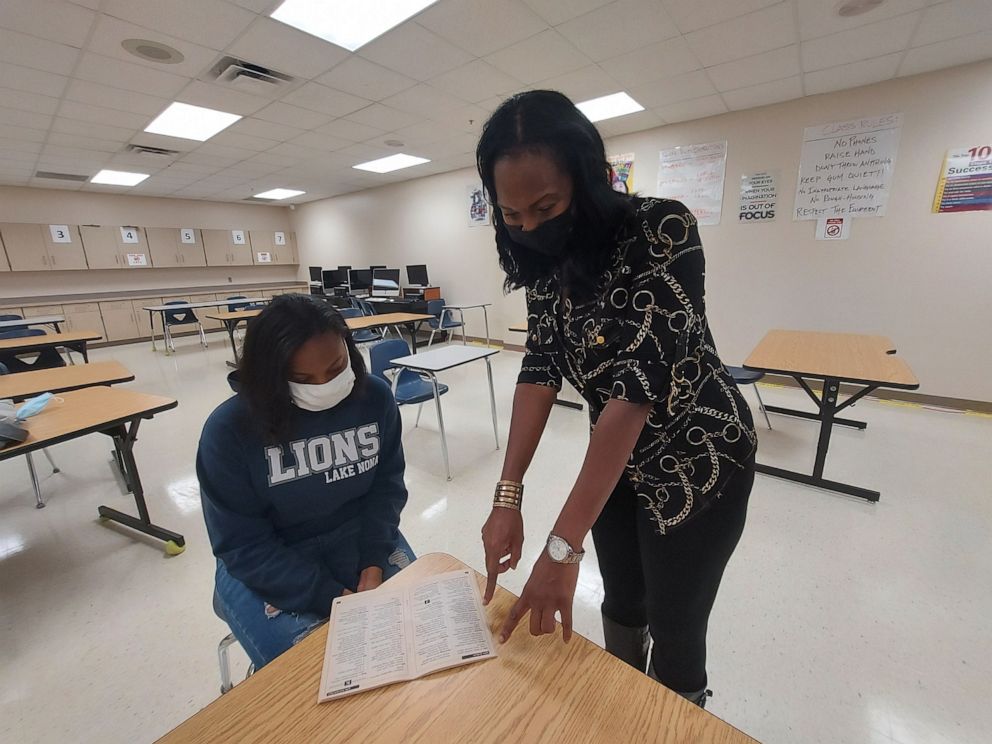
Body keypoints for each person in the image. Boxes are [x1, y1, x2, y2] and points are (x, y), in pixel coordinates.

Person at [476, 90, 757, 707]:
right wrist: (508, 496)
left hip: (699, 460)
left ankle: (675, 715)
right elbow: (542, 363)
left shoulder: (663, 229)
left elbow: (634, 391)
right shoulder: (546, 264)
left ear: (587, 178)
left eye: (545, 206)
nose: (529, 228)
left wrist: (560, 545)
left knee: (678, 627)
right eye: (513, 215)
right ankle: (622, 711)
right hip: (618, 463)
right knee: (622, 600)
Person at [197, 295, 414, 669]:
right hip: (267, 557)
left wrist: (373, 563)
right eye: (302, 379)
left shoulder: (374, 397)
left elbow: (386, 488)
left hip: (359, 533)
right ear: (269, 376)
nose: (324, 385)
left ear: (349, 348)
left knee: (411, 638)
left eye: (335, 368)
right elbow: (242, 544)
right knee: (315, 672)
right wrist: (331, 596)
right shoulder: (229, 430)